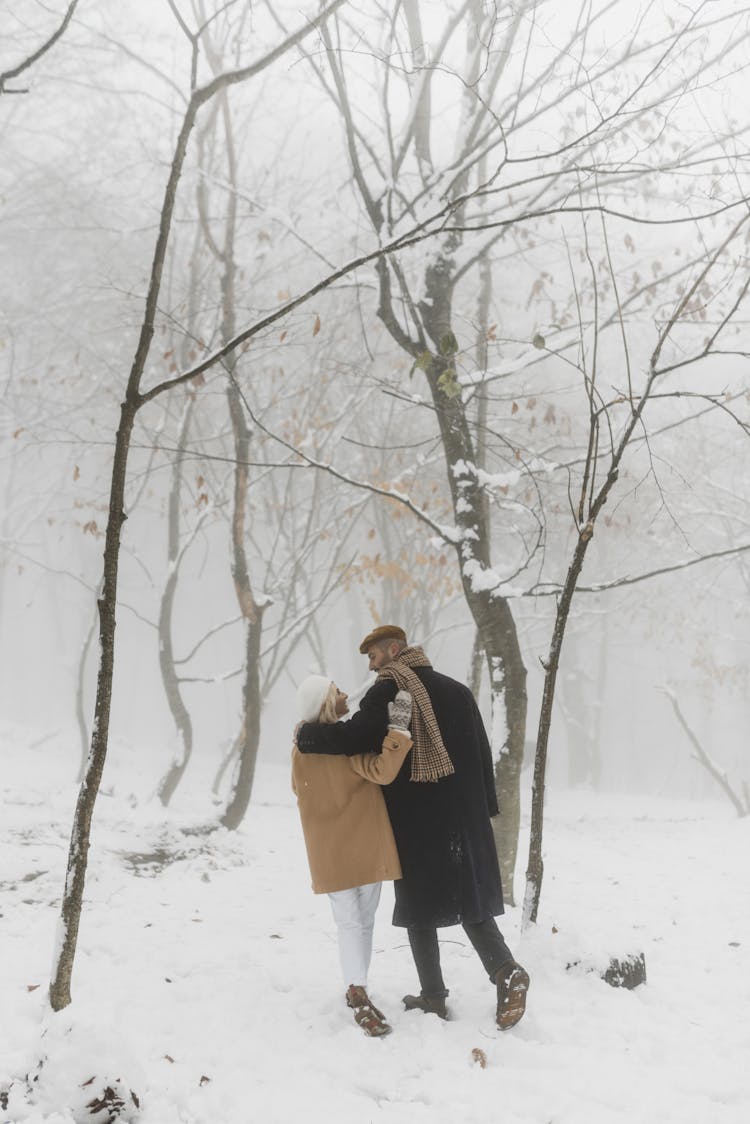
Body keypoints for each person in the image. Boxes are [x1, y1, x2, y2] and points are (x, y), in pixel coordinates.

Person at [295, 626, 530, 1030]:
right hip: (465, 813)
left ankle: (434, 996)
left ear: (393, 650)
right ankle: (505, 971)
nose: (370, 666)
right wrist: (485, 809)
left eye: (372, 656)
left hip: (418, 815)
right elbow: (481, 748)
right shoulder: (456, 690)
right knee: (469, 900)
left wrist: (308, 734)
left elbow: (354, 738)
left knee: (419, 906)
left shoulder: (389, 690)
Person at [292, 674, 413, 1037]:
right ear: (327, 702)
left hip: (329, 850)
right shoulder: (345, 745)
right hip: (366, 844)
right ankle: (357, 991)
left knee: (350, 921)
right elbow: (383, 771)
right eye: (337, 691)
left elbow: (298, 789)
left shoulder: (302, 749)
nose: (345, 694)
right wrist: (398, 731)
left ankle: (357, 988)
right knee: (362, 920)